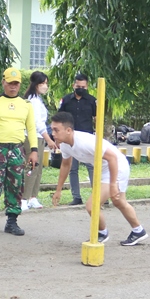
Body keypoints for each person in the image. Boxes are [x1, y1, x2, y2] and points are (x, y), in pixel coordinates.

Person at [50, 112, 148, 246]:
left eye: (56, 130)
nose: (53, 133)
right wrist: (58, 190)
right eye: (52, 130)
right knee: (119, 201)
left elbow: (112, 158)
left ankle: (102, 233)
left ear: (68, 130)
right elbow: (66, 165)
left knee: (92, 206)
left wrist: (113, 184)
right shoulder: (64, 144)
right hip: (103, 168)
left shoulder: (85, 142)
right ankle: (138, 231)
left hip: (117, 165)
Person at [0, 68, 38, 237]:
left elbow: (31, 128)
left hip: (17, 150)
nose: (13, 87)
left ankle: (12, 222)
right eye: (10, 83)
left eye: (16, 83)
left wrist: (34, 150)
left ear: (20, 84)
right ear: (3, 82)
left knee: (16, 185)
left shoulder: (26, 105)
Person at [57, 73, 97, 205]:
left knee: (92, 167)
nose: (80, 88)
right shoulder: (66, 100)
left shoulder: (92, 101)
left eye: (83, 86)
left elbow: (97, 118)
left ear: (87, 86)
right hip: (70, 139)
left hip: (87, 139)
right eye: (78, 86)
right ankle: (76, 197)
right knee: (72, 168)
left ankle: (97, 195)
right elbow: (59, 118)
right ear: (74, 85)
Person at [22, 71, 58, 211]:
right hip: (33, 137)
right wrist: (49, 139)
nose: (45, 86)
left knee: (38, 169)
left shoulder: (38, 99)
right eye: (43, 83)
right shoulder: (32, 101)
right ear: (36, 84)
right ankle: (24, 198)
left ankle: (33, 197)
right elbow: (38, 124)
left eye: (46, 83)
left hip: (40, 137)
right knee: (31, 167)